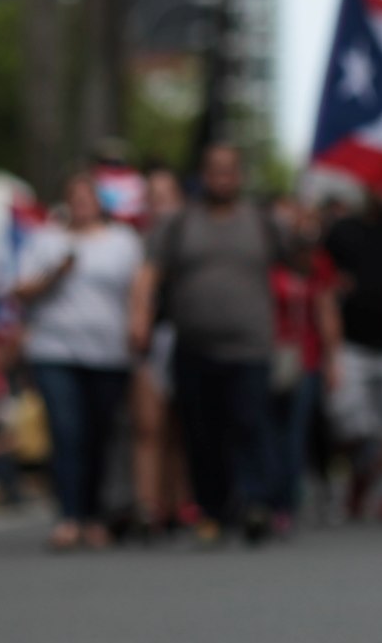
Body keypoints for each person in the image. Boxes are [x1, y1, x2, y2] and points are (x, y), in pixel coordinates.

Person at [130, 144, 282, 545]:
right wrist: (140, 317)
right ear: (203, 175)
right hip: (195, 345)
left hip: (251, 346)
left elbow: (300, 264)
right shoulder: (178, 224)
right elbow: (150, 272)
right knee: (202, 434)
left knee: (251, 426)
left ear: (240, 176)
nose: (222, 179)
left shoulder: (261, 222)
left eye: (229, 171)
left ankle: (254, 505)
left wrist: (305, 230)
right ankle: (212, 510)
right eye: (214, 171)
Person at [17, 171, 143, 550]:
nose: (82, 204)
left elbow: (139, 288)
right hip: (55, 350)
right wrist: (56, 273)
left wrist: (139, 326)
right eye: (75, 197)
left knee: (99, 436)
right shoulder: (45, 240)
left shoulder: (123, 242)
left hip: (107, 354)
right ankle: (69, 516)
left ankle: (94, 514)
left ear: (99, 202)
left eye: (88, 197)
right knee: (67, 432)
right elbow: (20, 289)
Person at [323, 189, 382, 523]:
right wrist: (331, 348)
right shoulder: (341, 231)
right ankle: (357, 475)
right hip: (351, 344)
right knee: (347, 421)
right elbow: (326, 287)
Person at [270, 202, 340, 534]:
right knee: (267, 429)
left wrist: (332, 360)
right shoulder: (270, 264)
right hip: (270, 356)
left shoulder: (319, 266)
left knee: (294, 433)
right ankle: (263, 495)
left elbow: (327, 312)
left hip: (306, 359)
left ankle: (287, 500)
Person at [130, 164, 189, 536]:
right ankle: (148, 507)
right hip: (149, 340)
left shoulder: (194, 239)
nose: (159, 205)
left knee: (181, 428)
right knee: (149, 427)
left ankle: (180, 504)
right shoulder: (134, 242)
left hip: (187, 337)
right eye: (152, 197)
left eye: (165, 197)